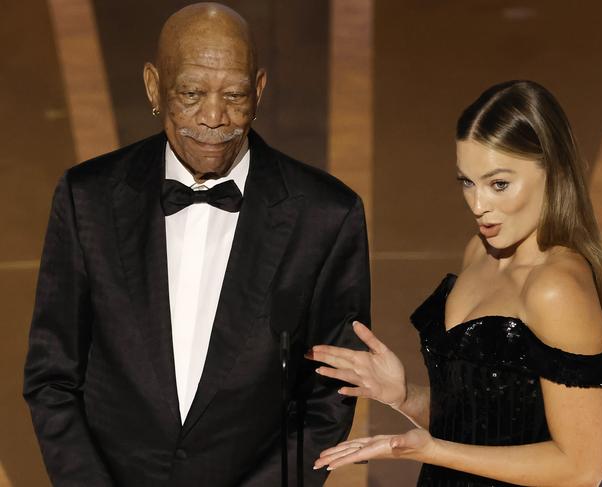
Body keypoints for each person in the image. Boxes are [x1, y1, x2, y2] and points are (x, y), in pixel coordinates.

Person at [23, 3, 370, 486]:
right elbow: (52, 376)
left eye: (234, 94)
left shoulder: (326, 215)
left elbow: (330, 396)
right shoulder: (88, 198)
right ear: (153, 86)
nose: (213, 117)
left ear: (260, 90)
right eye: (190, 92)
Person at [308, 80, 602, 486]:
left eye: (499, 184)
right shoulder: (479, 252)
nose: (479, 205)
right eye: (467, 182)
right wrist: (404, 396)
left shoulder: (556, 288)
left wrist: (434, 450)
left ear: (552, 172)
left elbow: (581, 468)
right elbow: (485, 424)